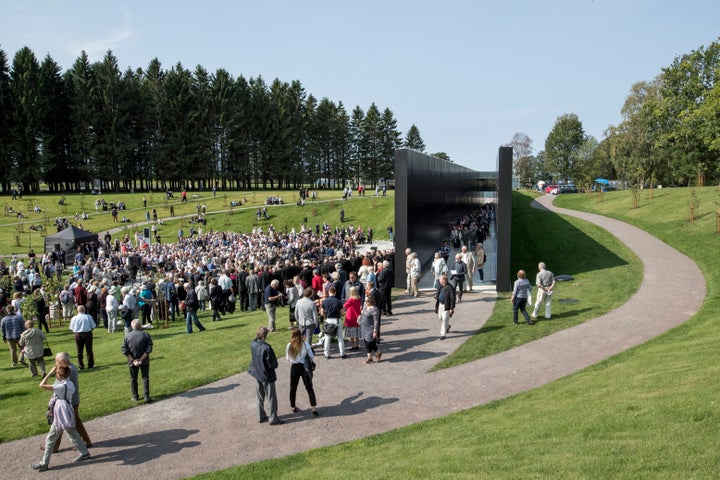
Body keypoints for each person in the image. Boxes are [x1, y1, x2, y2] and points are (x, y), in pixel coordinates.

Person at [31, 364, 91, 471]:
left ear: (59, 375)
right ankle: (85, 453)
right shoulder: (70, 383)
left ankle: (44, 463)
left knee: (51, 438)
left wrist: (49, 373)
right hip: (67, 410)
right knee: (73, 433)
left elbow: (41, 385)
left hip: (61, 412)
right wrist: (58, 372)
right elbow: (59, 383)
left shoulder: (60, 386)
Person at [47, 352, 92, 453]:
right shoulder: (72, 367)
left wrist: (52, 374)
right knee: (74, 422)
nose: (55, 363)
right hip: (71, 400)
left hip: (68, 402)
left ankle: (54, 446)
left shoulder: (67, 370)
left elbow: (57, 386)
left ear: (62, 361)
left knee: (61, 423)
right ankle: (85, 441)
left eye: (57, 361)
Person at [248, 326, 283, 425]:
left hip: (257, 373)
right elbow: (273, 364)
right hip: (266, 375)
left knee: (260, 396)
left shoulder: (253, 343)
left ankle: (260, 416)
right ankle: (273, 418)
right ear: (265, 335)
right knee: (271, 397)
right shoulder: (267, 348)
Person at [285, 328, 319, 416]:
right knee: (309, 387)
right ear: (300, 335)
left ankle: (293, 406)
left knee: (293, 387)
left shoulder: (289, 345)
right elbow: (311, 356)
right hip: (304, 367)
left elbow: (288, 358)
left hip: (295, 367)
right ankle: (314, 407)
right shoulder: (305, 344)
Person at [121, 319, 153, 402]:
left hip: (132, 361)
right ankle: (146, 396)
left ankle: (135, 396)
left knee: (133, 378)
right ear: (140, 326)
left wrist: (133, 360)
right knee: (145, 377)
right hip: (144, 360)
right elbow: (149, 348)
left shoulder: (127, 336)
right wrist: (141, 359)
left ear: (132, 326)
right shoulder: (146, 335)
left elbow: (124, 350)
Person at [320, 286, 345, 359]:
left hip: (328, 320)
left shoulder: (324, 301)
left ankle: (326, 353)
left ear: (328, 292)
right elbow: (342, 312)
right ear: (335, 293)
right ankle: (342, 353)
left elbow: (321, 312)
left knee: (327, 337)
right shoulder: (338, 301)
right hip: (337, 320)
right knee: (340, 337)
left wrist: (324, 316)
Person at [69, 305, 96, 369]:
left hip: (78, 334)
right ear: (84, 310)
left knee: (79, 350)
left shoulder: (74, 318)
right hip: (87, 334)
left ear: (77, 310)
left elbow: (71, 328)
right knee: (89, 350)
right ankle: (90, 364)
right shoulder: (88, 317)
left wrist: (76, 332)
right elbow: (93, 326)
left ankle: (80, 365)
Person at [359, 295, 381, 364]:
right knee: (366, 342)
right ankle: (370, 357)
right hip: (364, 327)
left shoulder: (375, 309)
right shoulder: (366, 307)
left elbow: (376, 321)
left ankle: (378, 352)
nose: (365, 302)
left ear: (370, 301)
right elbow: (362, 314)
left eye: (366, 301)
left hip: (370, 328)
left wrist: (375, 331)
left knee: (370, 342)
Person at [434, 275, 456, 340]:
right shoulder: (440, 286)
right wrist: (436, 297)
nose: (439, 281)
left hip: (446, 307)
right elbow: (438, 294)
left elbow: (453, 299)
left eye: (440, 280)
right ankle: (448, 326)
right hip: (440, 305)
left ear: (444, 280)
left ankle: (443, 334)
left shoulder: (450, 288)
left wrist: (451, 308)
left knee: (444, 321)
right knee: (440, 318)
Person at [343, 286, 362, 351]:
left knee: (351, 333)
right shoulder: (359, 298)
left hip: (350, 316)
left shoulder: (351, 299)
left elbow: (344, 306)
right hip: (357, 316)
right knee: (357, 332)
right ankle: (357, 345)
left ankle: (353, 346)